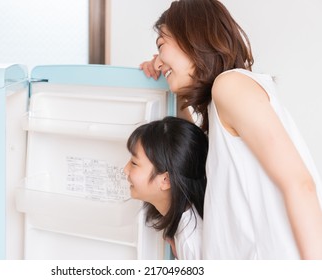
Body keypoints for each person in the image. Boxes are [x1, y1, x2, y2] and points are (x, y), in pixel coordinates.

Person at [140, 0, 322, 259]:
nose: (157, 62)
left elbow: (299, 183)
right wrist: (168, 82)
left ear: (190, 36)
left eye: (161, 46)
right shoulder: (220, 104)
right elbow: (195, 156)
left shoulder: (230, 86)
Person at [123, 116, 208, 259]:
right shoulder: (186, 229)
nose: (125, 169)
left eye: (134, 163)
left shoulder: (190, 242)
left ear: (166, 180)